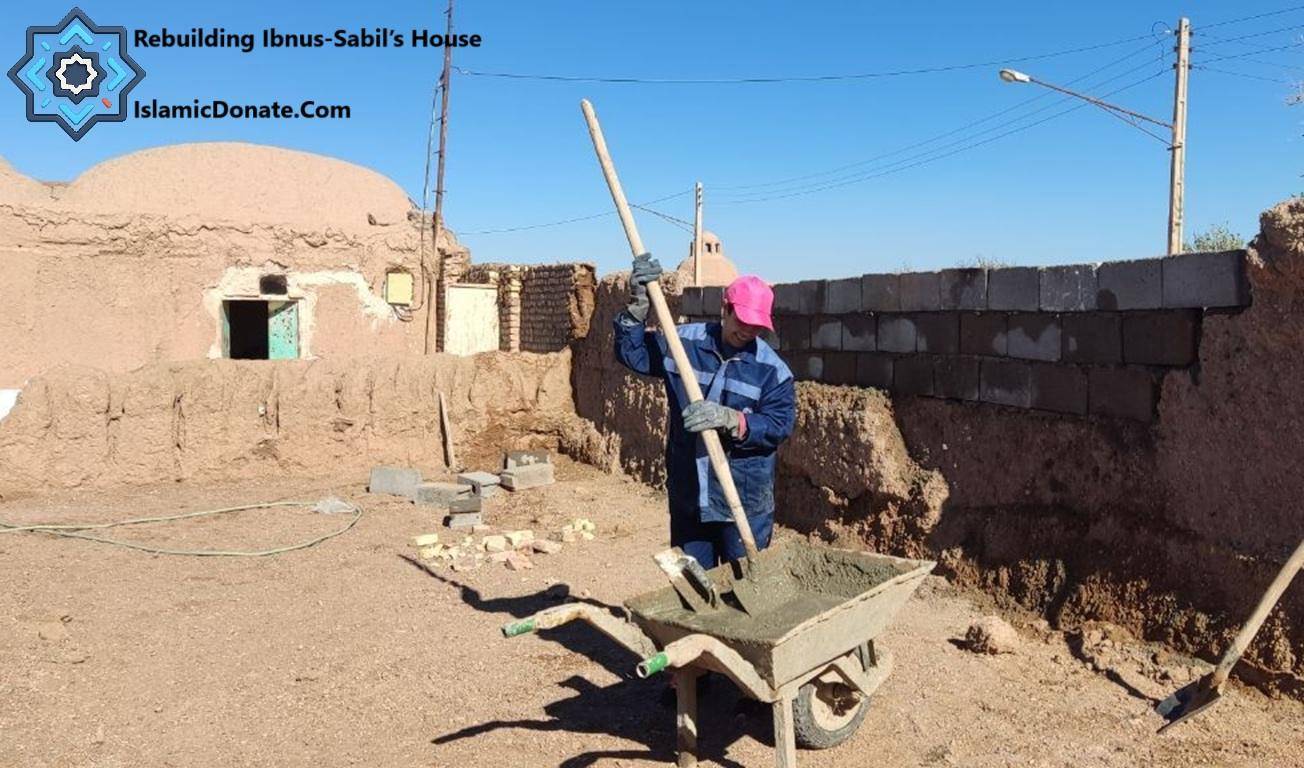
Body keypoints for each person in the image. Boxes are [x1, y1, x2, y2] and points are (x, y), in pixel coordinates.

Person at [613, 251, 796, 570]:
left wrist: (733, 420)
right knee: (696, 586)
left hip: (743, 499)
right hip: (690, 495)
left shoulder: (772, 371)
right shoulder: (683, 343)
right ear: (725, 308)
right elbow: (634, 354)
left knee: (745, 585)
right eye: (742, 321)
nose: (748, 332)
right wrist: (637, 305)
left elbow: (779, 425)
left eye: (757, 326)